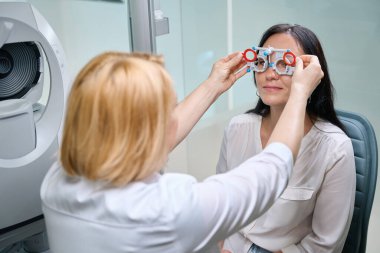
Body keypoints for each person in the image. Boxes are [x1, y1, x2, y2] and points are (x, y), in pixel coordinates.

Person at [40, 50, 323, 253]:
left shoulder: (56, 180)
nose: (174, 119)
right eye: (168, 113)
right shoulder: (171, 208)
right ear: (146, 132)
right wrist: (299, 92)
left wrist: (213, 86)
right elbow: (272, 170)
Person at [217, 24, 355, 253]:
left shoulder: (335, 148)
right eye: (263, 61)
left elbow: (326, 244)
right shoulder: (237, 128)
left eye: (286, 64)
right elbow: (220, 205)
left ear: (311, 75)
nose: (270, 73)